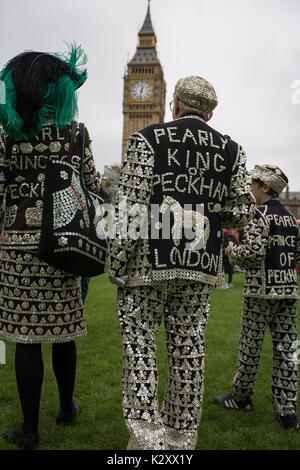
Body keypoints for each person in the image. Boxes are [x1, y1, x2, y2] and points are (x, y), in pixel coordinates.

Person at [105, 75, 255, 450]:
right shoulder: (232, 150)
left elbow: (131, 209)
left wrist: (116, 263)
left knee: (140, 346)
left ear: (174, 104)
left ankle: (146, 439)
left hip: (147, 267)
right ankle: (181, 438)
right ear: (210, 113)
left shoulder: (147, 139)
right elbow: (240, 213)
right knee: (188, 349)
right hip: (200, 266)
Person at [0, 43, 103, 449]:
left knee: (26, 338)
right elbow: (93, 188)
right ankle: (65, 408)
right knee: (62, 333)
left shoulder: (8, 135)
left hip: (17, 251)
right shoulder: (75, 134)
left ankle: (28, 431)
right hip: (62, 246)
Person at [213, 165, 300, 430]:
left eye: (253, 183)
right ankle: (287, 411)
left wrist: (231, 251)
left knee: (250, 348)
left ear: (265, 187)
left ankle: (240, 398)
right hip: (288, 292)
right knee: (288, 351)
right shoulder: (289, 219)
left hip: (260, 294)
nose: (249, 188)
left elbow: (251, 254)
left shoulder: (258, 216)